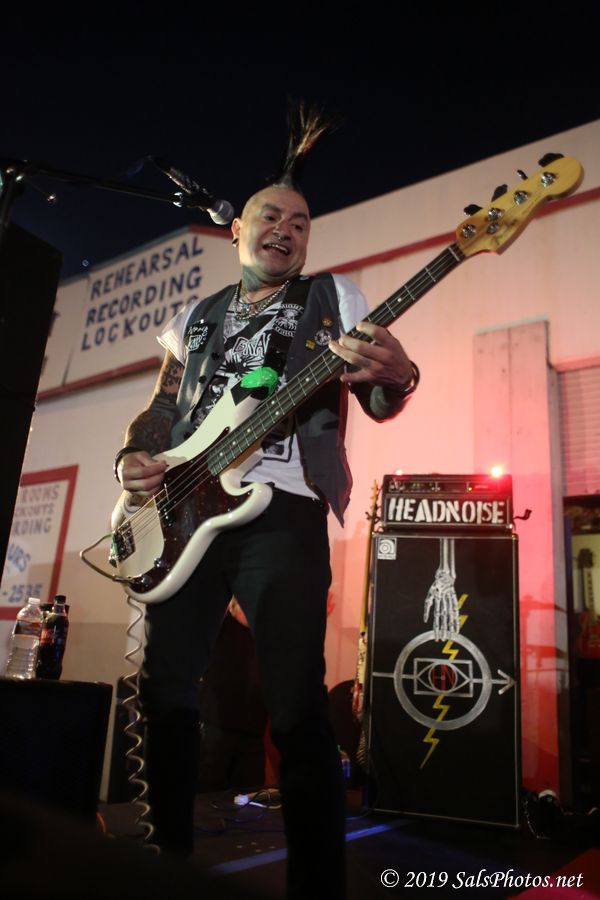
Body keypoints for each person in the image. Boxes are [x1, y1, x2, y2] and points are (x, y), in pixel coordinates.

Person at [113, 108, 418, 900]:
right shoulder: (197, 316)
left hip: (281, 507)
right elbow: (164, 407)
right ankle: (167, 860)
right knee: (166, 691)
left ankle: (317, 886)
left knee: (294, 705)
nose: (286, 229)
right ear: (238, 230)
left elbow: (376, 396)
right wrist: (135, 457)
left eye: (300, 223)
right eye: (271, 217)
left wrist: (398, 375)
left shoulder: (332, 297)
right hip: (186, 510)